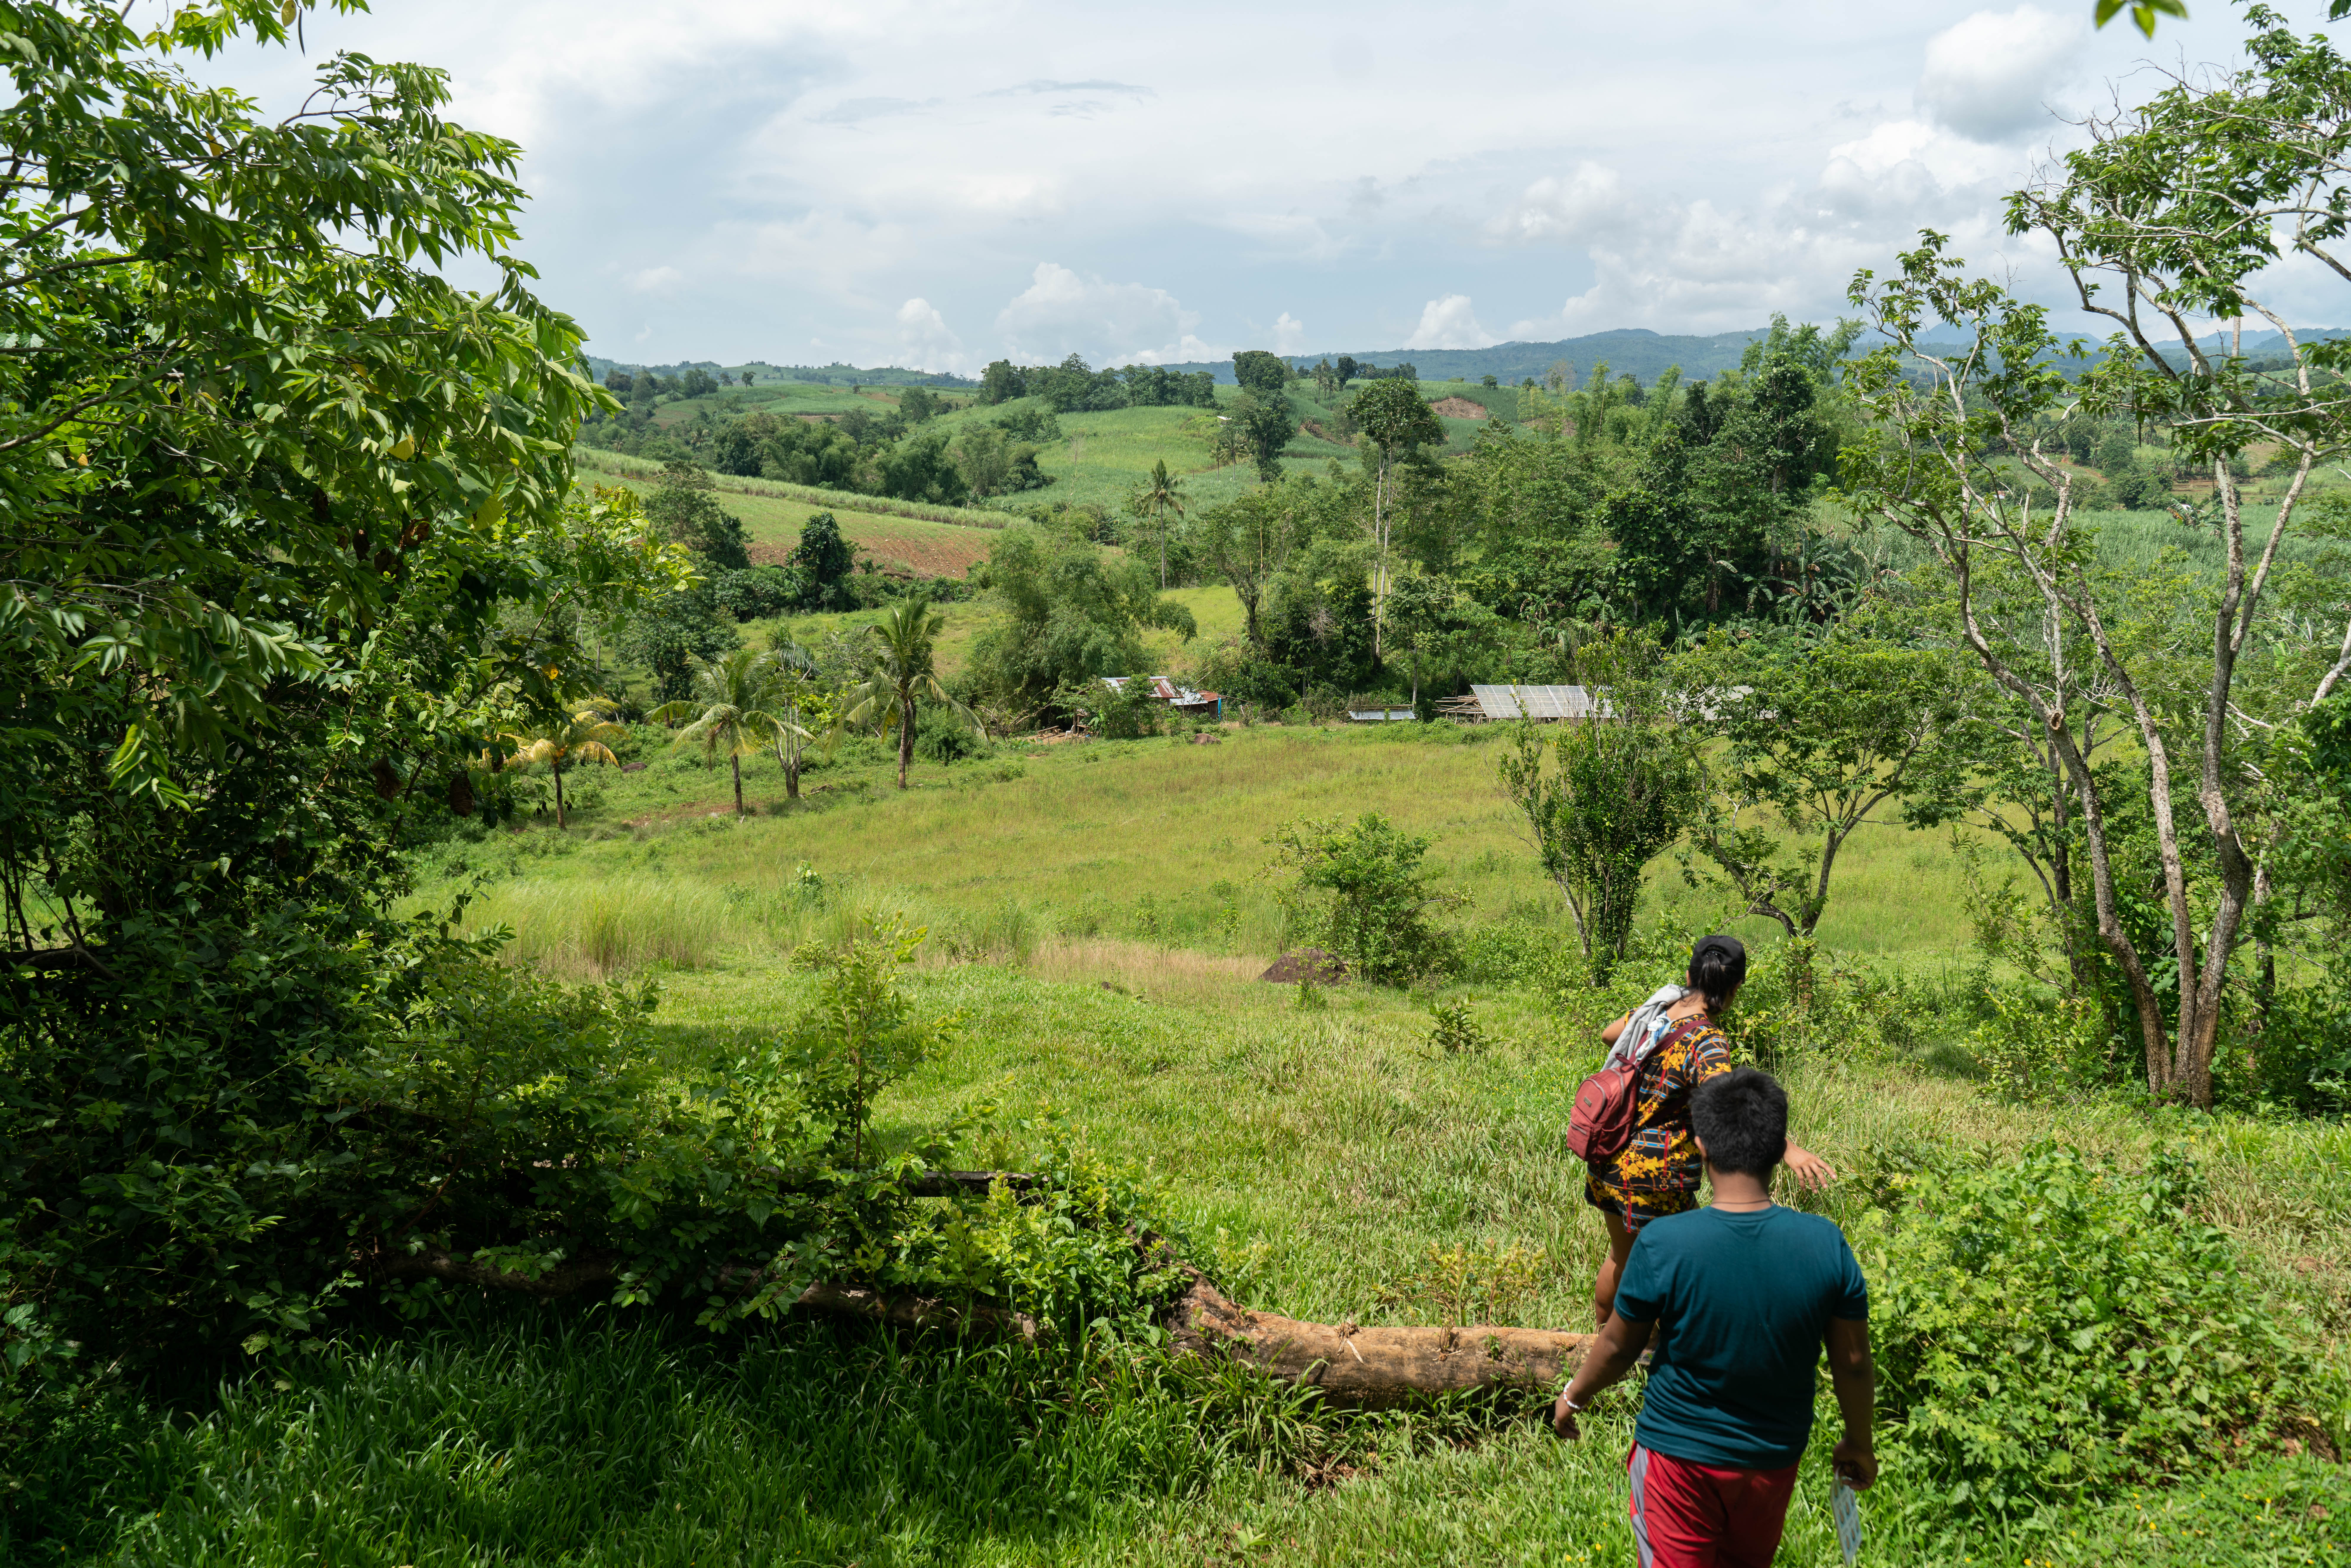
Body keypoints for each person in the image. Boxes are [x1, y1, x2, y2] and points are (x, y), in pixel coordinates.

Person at [1554, 1067, 1876, 1568]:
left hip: (1676, 1461)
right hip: (1772, 1462)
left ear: (1701, 1146)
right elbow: (1854, 1361)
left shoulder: (1665, 1243)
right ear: (1777, 1150)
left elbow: (1618, 1346)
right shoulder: (1825, 1243)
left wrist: (1574, 1397)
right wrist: (1859, 1440)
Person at [1584, 935, 1835, 1329]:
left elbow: (1609, 1034)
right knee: (1667, 1274)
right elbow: (1728, 1106)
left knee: (1623, 1258)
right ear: (1736, 987)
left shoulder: (1659, 1009)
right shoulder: (1708, 1041)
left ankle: (1599, 1341)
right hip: (1653, 1177)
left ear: (1690, 975)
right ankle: (1640, 1352)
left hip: (1608, 1156)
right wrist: (1788, 1148)